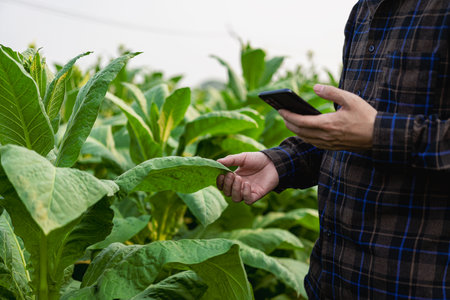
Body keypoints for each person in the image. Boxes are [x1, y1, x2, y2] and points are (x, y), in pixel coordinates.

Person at [216, 0, 450, 299]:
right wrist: (281, 162)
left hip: (414, 284)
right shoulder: (363, 11)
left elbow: (369, 130)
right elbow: (349, 131)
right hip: (332, 279)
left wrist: (379, 132)